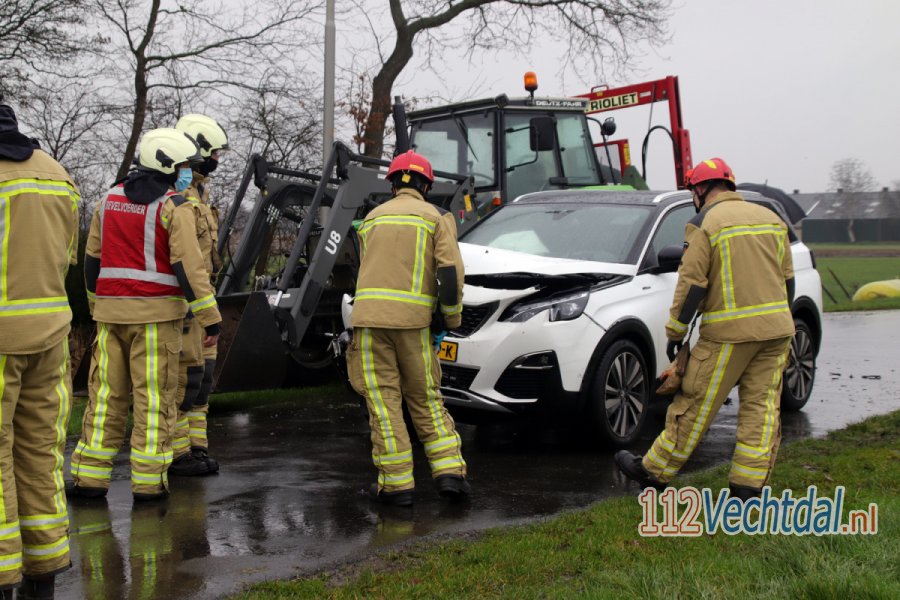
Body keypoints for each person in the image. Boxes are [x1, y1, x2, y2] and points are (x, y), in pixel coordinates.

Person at [615, 158, 795, 500]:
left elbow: (692, 284)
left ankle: (653, 471)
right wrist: (780, 318)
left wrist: (675, 334)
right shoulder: (772, 220)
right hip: (776, 332)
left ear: (699, 189)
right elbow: (788, 280)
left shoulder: (704, 223)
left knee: (694, 403)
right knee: (761, 408)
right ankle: (748, 488)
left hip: (728, 335)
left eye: (692, 191)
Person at [68, 128, 222, 502]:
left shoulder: (109, 200)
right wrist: (210, 317)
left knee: (105, 398)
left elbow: (92, 261)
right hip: (156, 321)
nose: (187, 172)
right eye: (183, 165)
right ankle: (149, 485)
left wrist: (95, 305)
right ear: (167, 164)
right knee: (154, 402)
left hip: (109, 319)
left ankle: (89, 479)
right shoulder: (174, 206)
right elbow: (189, 268)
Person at [346, 150, 469, 507]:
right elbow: (449, 273)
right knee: (425, 399)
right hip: (414, 326)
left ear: (392, 184)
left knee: (384, 405)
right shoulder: (436, 217)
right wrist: (449, 317)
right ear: (426, 185)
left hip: (369, 326)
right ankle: (450, 476)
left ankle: (397, 487)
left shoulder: (371, 219)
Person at [0, 100, 80, 600]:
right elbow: (68, 256)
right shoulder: (57, 175)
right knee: (40, 452)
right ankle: (43, 574)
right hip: (50, 335)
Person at [167, 114, 229, 477]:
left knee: (203, 380)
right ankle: (178, 455)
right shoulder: (176, 195)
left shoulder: (201, 194)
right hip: (185, 305)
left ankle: (197, 446)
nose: (218, 160)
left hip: (204, 300)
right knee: (184, 382)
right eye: (215, 153)